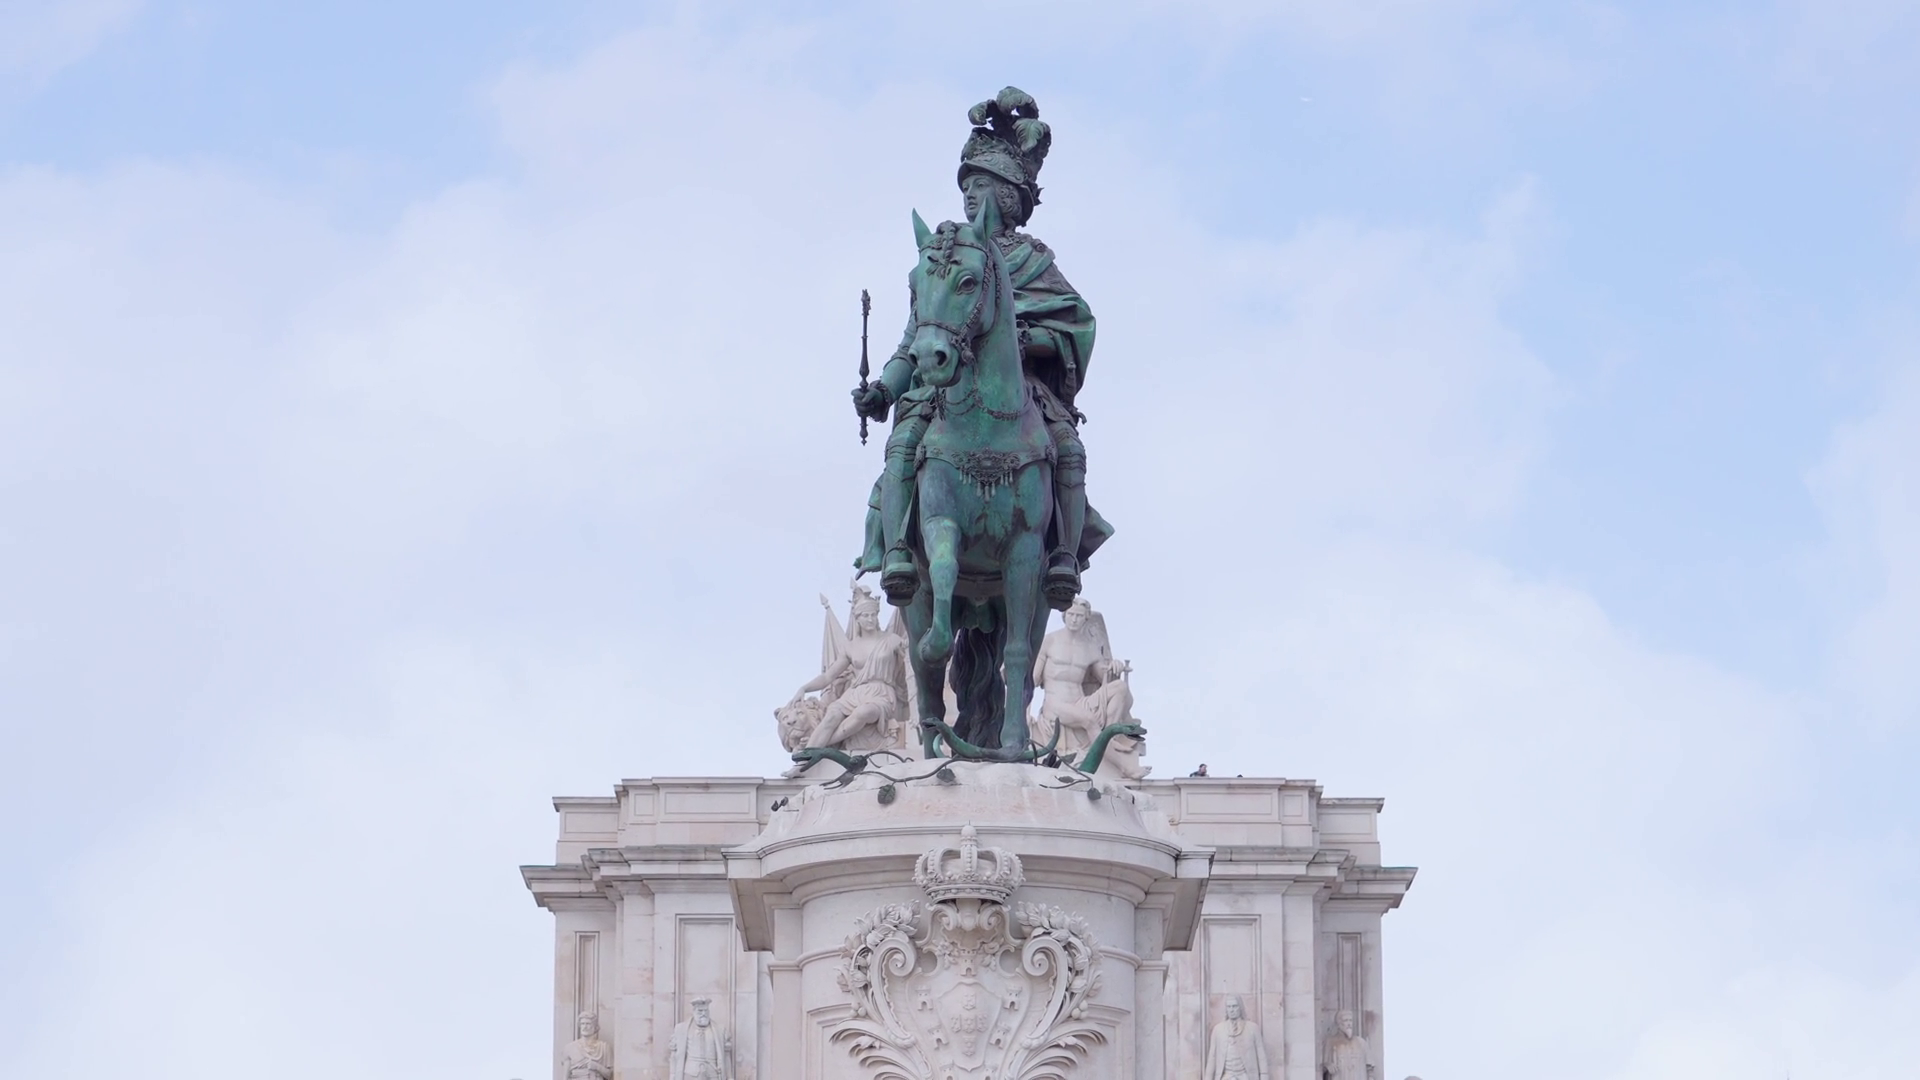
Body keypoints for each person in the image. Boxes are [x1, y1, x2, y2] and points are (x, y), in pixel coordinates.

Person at [854, 86, 1108, 608]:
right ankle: (896, 548)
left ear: (1008, 197)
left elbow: (1074, 328)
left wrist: (1029, 339)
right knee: (902, 445)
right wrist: (884, 390)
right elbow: (913, 338)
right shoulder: (948, 259)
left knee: (1069, 449)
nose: (971, 196)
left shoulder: (1034, 261)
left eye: (983, 186)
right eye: (967, 186)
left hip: (1023, 392)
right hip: (945, 387)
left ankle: (1063, 555)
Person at [783, 587, 908, 775]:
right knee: (832, 714)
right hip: (855, 693)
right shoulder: (851, 647)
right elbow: (828, 677)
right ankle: (801, 764)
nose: (870, 619)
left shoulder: (892, 640)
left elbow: (911, 663)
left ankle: (820, 746)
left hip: (881, 693)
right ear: (857, 618)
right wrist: (804, 688)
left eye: (873, 615)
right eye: (865, 615)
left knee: (864, 713)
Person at [1031, 598, 1145, 777]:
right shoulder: (1050, 641)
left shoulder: (1090, 647)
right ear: (1064, 615)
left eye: (1079, 616)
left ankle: (1110, 733)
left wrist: (1114, 666)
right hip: (1055, 705)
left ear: (1086, 618)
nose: (1074, 619)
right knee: (1089, 720)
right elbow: (1033, 679)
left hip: (1080, 702)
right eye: (1071, 614)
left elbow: (1104, 678)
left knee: (1120, 688)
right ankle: (1124, 766)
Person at [1205, 996, 1269, 1080]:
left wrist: (1264, 1076)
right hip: (1226, 1076)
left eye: (1234, 1006)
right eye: (1229, 1007)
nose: (1231, 1010)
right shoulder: (1218, 1029)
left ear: (1240, 1007)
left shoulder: (1253, 1028)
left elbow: (1261, 1056)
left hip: (1246, 1076)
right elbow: (1212, 1058)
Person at [669, 997, 734, 1080]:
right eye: (700, 1011)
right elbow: (674, 1056)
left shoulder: (720, 1030)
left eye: (706, 1011)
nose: (703, 1014)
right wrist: (673, 1075)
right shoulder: (681, 1029)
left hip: (713, 1074)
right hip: (690, 1074)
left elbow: (726, 1056)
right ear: (694, 1012)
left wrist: (729, 1077)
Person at [1322, 1010, 1373, 1080]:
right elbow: (1321, 1067)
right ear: (1339, 1024)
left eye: (1350, 1020)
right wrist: (1327, 1065)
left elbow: (1370, 1069)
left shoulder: (1361, 1042)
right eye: (1345, 1020)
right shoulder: (1330, 1042)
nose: (1349, 1024)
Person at [561, 1012, 612, 1080]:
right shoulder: (570, 1048)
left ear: (595, 1026)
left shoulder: (604, 1047)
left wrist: (597, 1067)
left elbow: (609, 1075)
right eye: (582, 1024)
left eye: (588, 1024)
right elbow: (565, 1077)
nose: (585, 1027)